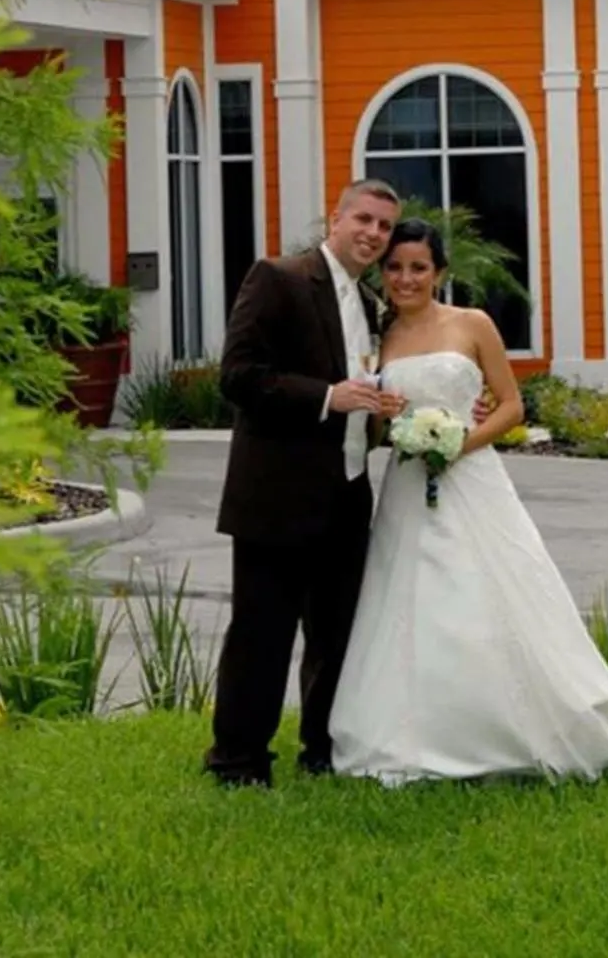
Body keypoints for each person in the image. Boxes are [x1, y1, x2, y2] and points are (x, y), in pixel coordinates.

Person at [328, 220, 608, 785]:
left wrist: (456, 444)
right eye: (395, 268)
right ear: (384, 274)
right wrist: (386, 420)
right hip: (406, 487)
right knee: (410, 605)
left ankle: (518, 728)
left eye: (418, 268)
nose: (406, 278)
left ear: (440, 273)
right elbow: (377, 422)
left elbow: (510, 405)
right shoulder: (380, 342)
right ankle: (413, 736)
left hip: (470, 477)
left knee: (490, 593)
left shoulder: (472, 324)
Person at [204, 178, 407, 787]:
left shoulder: (370, 304)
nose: (373, 234)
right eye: (363, 220)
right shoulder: (279, 277)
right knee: (261, 635)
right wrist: (326, 397)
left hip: (347, 494)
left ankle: (322, 750)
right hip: (276, 496)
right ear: (335, 220)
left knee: (336, 635)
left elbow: (367, 391)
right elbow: (238, 376)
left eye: (385, 227)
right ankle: (238, 762)